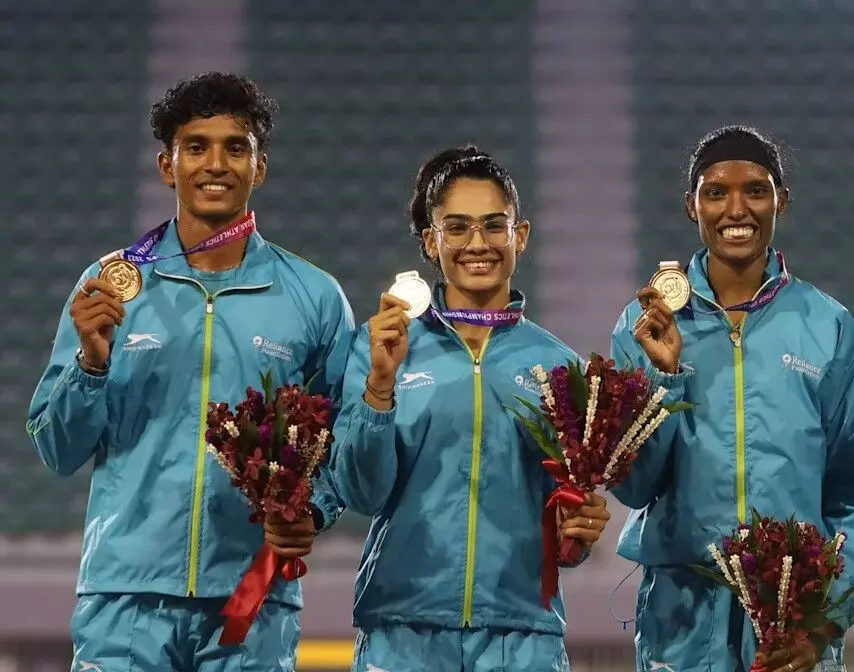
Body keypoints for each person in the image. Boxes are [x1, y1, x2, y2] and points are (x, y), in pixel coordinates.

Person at [25, 72, 355, 670]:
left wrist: (314, 511)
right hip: (125, 596)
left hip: (251, 598)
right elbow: (57, 450)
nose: (216, 164)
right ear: (166, 166)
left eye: (236, 148)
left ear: (259, 168)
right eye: (196, 147)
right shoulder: (109, 286)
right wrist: (90, 365)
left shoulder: (314, 297)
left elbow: (346, 441)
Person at [611, 125, 854, 672]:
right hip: (681, 619)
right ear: (691, 206)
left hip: (793, 622)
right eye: (715, 192)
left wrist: (825, 620)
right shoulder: (645, 325)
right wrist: (665, 378)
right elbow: (633, 485)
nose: (736, 209)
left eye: (755, 190)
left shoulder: (826, 325)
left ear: (781, 199)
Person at [326, 145, 612, 671]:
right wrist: (380, 386)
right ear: (430, 241)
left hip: (522, 637)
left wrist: (580, 530)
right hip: (402, 632)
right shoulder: (380, 348)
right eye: (456, 228)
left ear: (519, 236)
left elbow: (569, 526)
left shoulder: (561, 367)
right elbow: (362, 493)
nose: (477, 244)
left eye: (493, 225)